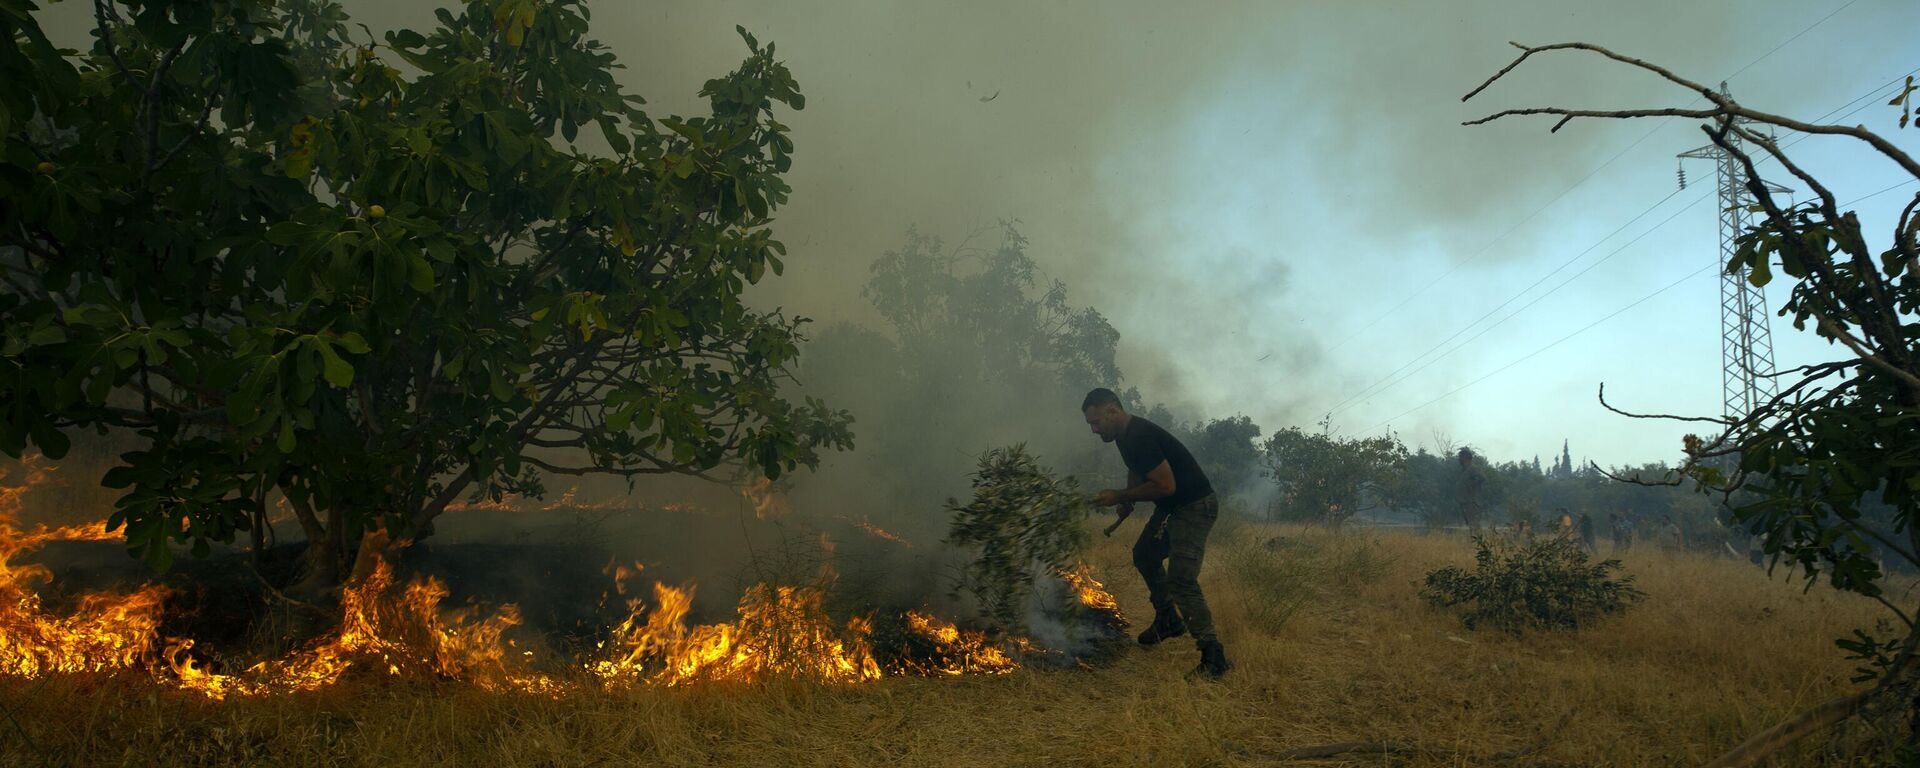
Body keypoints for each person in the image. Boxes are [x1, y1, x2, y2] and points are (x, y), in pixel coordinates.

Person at [1080, 388, 1229, 680]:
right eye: (1091, 425)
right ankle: (1168, 619)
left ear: (1112, 410)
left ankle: (1214, 657)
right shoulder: (1123, 437)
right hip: (1173, 508)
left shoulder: (1140, 435)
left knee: (1182, 580)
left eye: (1096, 422)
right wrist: (1128, 500)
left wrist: (1119, 494)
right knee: (1145, 555)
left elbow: (1165, 486)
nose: (1095, 430)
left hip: (1194, 506)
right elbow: (1137, 471)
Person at [1455, 448, 1485, 531]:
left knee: (1474, 525)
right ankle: (1474, 542)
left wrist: (1471, 486)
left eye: (1460, 457)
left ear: (1465, 457)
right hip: (1465, 502)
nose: (1459, 459)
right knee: (1471, 525)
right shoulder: (1464, 470)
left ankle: (1478, 542)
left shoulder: (1473, 468)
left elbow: (1482, 478)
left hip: (1472, 502)